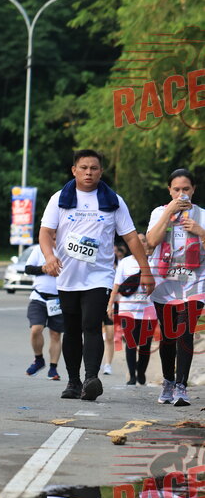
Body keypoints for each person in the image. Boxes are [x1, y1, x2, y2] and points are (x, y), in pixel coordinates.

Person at [39, 149, 155, 401]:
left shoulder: (113, 201)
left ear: (101, 172)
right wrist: (49, 257)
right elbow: (45, 233)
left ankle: (91, 379)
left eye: (93, 168)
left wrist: (145, 270)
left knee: (91, 325)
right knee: (71, 329)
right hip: (67, 276)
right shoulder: (60, 198)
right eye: (83, 168)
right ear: (74, 170)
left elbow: (131, 237)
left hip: (99, 276)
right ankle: (73, 381)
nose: (88, 173)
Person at [146, 168, 205, 406]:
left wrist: (200, 232)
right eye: (177, 189)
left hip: (194, 283)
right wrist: (168, 213)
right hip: (165, 284)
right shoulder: (158, 212)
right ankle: (168, 381)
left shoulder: (202, 215)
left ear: (193, 190)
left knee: (185, 331)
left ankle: (181, 386)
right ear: (169, 190)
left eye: (186, 189)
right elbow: (151, 241)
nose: (182, 194)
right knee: (168, 335)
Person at [107, 244, 157, 385]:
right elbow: (117, 285)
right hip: (127, 309)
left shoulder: (153, 263)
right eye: (138, 241)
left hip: (148, 310)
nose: (142, 244)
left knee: (145, 344)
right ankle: (132, 376)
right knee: (131, 343)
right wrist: (110, 304)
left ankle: (141, 372)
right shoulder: (125, 262)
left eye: (144, 241)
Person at [23, 233, 63, 380]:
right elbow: (28, 269)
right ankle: (39, 359)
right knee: (36, 329)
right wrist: (43, 269)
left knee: (55, 334)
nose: (54, 241)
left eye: (56, 238)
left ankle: (53, 368)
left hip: (58, 300)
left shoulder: (66, 252)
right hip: (39, 297)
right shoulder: (39, 250)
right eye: (52, 238)